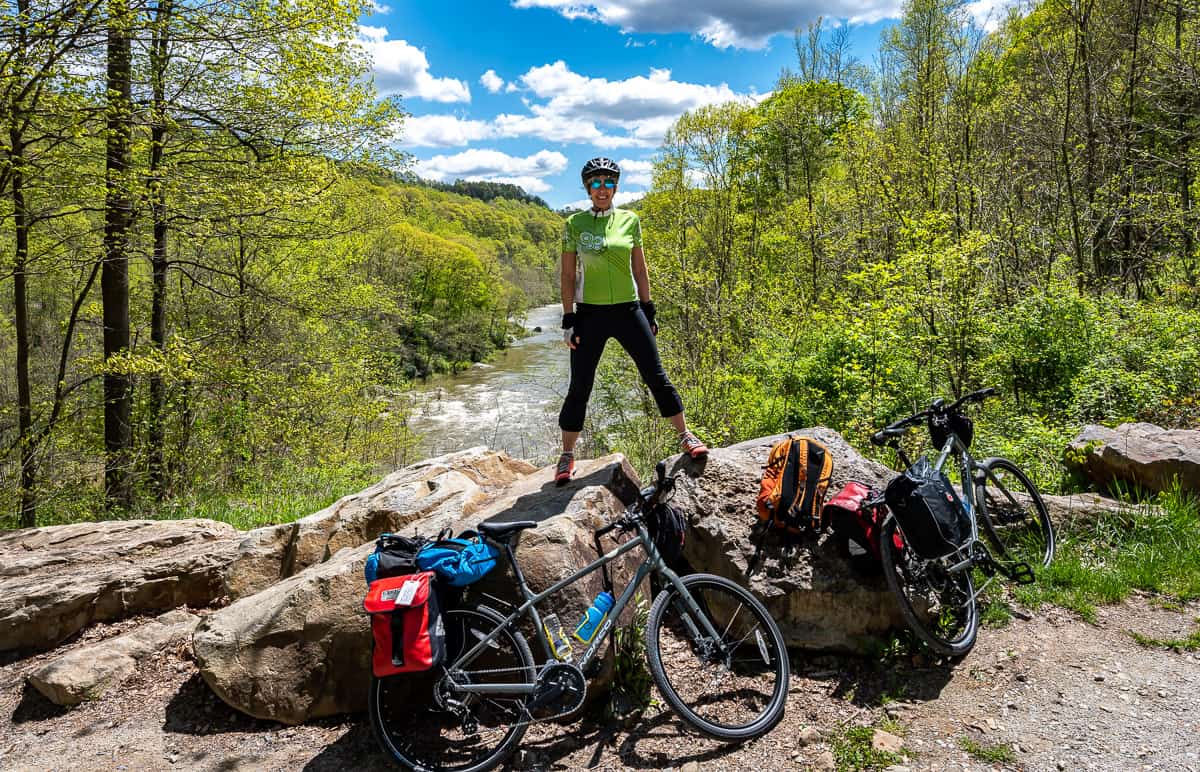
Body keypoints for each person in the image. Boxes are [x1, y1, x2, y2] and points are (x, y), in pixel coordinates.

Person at [555, 157, 708, 485]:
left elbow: (640, 269)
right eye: (595, 183)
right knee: (580, 387)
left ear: (616, 187)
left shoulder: (630, 220)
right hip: (589, 315)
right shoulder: (574, 224)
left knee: (656, 375)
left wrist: (648, 309)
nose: (602, 189)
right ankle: (567, 455)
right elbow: (568, 275)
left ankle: (685, 435)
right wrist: (568, 318)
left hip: (628, 311)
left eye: (608, 182)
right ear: (587, 187)